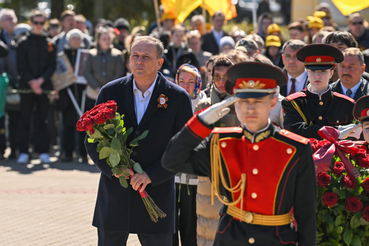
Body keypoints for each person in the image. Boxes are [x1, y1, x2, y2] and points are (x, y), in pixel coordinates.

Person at [162, 61, 317, 246]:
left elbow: (305, 215)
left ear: (273, 102)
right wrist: (200, 122)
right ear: (236, 105)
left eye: (258, 101)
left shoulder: (295, 149)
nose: (250, 108)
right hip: (230, 237)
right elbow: (171, 161)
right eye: (244, 101)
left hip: (276, 240)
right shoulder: (221, 143)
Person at [85, 36, 193, 246]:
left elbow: (184, 148)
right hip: (116, 192)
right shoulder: (110, 91)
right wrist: (113, 169)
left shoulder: (178, 97)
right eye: (135, 56)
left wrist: (152, 175)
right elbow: (91, 140)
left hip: (156, 194)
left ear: (160, 62)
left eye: (146, 56)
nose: (139, 61)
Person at [193, 57, 239, 246]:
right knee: (207, 227)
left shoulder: (242, 103)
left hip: (236, 174)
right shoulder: (203, 105)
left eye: (226, 77)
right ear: (211, 77)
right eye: (217, 77)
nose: (221, 82)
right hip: (209, 174)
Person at [282, 44, 355, 139]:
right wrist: (336, 132)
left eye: (323, 71)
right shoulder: (293, 103)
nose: (317, 76)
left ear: (331, 73)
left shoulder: (347, 104)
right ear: (307, 72)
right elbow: (294, 130)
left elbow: (353, 136)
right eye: (312, 71)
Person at [16, 10, 56, 164]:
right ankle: (24, 152)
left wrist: (40, 81)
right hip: (27, 87)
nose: (39, 25)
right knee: (24, 119)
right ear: (31, 23)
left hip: (44, 87)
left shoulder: (50, 43)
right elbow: (21, 66)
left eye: (41, 22)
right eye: (36, 22)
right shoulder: (23, 42)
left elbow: (51, 66)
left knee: (43, 120)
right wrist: (32, 82)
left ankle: (44, 151)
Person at [173, 64, 205, 246]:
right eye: (182, 81)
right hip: (173, 174)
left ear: (198, 83)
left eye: (190, 82)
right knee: (171, 223)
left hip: (194, 176)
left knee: (190, 223)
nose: (186, 86)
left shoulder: (203, 103)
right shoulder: (171, 100)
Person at [53, 29, 88, 163]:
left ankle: (83, 154)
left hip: (82, 92)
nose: (76, 41)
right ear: (68, 40)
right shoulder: (62, 56)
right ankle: (68, 153)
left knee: (83, 124)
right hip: (66, 93)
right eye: (73, 38)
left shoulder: (85, 55)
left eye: (78, 38)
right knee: (68, 124)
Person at [84, 27, 124, 111]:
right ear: (98, 40)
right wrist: (96, 86)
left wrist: (109, 87)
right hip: (93, 93)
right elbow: (87, 72)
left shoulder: (118, 54)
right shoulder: (91, 54)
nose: (107, 41)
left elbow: (119, 73)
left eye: (109, 39)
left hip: (112, 94)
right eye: (104, 39)